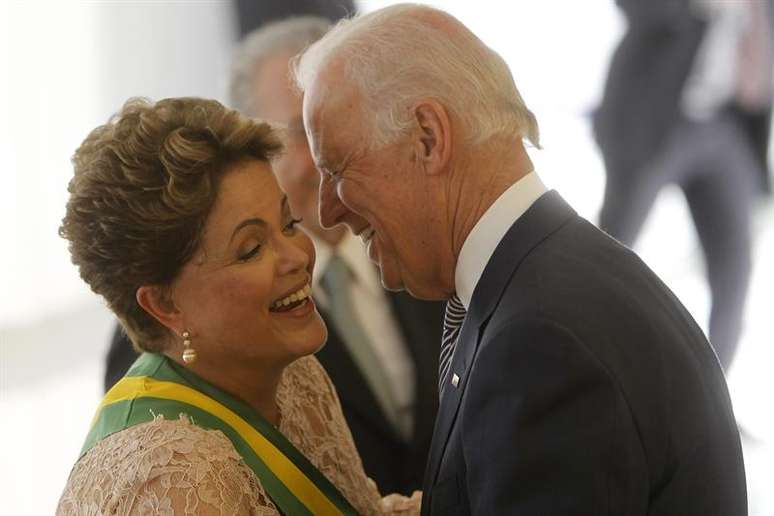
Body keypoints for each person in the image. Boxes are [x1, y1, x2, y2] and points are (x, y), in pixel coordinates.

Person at [293, 4, 747, 515]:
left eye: (338, 169)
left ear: (428, 137)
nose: (327, 212)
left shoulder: (539, 343)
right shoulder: (549, 279)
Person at [57, 97, 419, 515]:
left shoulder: (295, 377)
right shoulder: (170, 483)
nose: (299, 257)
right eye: (251, 249)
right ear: (164, 303)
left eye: (289, 224)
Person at [229, 16, 444, 496]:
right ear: (249, 147)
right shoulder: (210, 306)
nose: (332, 156)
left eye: (346, 124)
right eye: (304, 132)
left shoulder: (430, 249)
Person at [594, 0, 767, 372]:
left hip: (726, 127)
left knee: (734, 273)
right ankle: (582, 371)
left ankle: (712, 403)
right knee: (609, 251)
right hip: (654, 121)